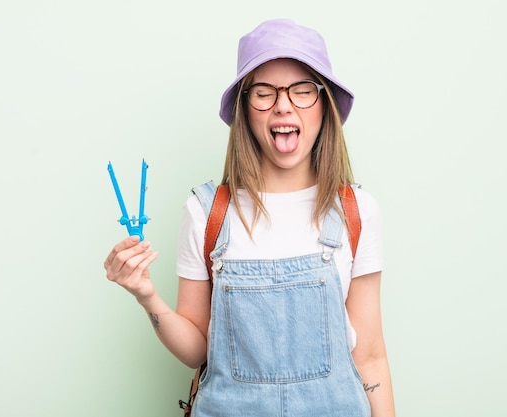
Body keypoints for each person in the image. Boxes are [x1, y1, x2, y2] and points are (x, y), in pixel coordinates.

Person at [104, 19, 396, 417]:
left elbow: (371, 357)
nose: (283, 104)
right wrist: (146, 296)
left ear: (324, 105)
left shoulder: (356, 212)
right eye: (263, 92)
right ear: (245, 107)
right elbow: (195, 352)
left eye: (302, 90)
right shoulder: (207, 213)